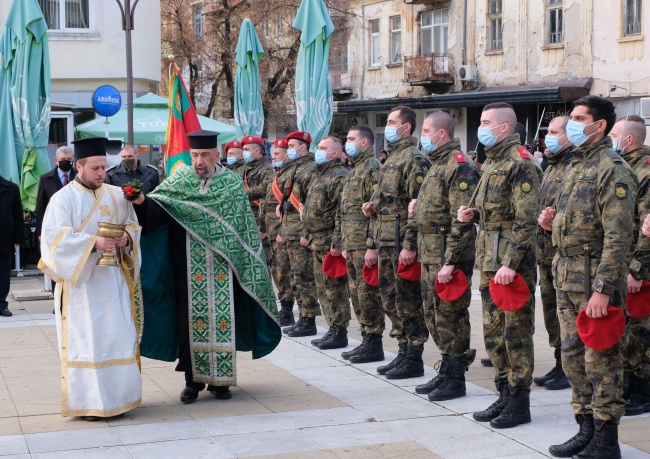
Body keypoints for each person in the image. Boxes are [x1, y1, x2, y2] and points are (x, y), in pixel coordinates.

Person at [132, 130, 280, 404]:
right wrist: (142, 202)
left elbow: (243, 228)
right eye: (195, 155)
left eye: (204, 156)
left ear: (216, 155)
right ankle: (192, 382)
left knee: (224, 321)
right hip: (186, 267)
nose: (199, 161)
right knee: (188, 324)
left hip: (224, 268)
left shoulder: (232, 184)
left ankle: (220, 383)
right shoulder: (180, 179)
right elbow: (159, 210)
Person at [539, 96, 637, 459]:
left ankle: (606, 440)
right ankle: (585, 428)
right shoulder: (575, 166)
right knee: (573, 359)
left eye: (580, 118)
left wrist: (603, 290)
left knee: (602, 363)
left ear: (600, 126)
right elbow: (579, 223)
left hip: (595, 282)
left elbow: (618, 237)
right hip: (567, 277)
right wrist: (552, 224)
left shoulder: (612, 168)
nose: (573, 124)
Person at [38, 136, 143, 420]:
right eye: (95, 168)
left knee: (118, 336)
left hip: (113, 282)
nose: (101, 173)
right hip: (81, 287)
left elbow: (133, 226)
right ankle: (89, 403)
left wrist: (124, 239)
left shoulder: (117, 194)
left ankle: (121, 398)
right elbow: (52, 240)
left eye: (104, 167)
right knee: (88, 342)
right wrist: (93, 243)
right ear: (79, 166)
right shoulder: (62, 199)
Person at [458, 102, 541, 429]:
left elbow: (525, 219)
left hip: (511, 265)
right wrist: (473, 214)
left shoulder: (522, 164)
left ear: (504, 128)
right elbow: (495, 212)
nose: (481, 127)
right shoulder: (492, 162)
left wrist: (510, 263)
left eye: (485, 122)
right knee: (494, 333)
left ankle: (519, 401)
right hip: (489, 261)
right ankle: (504, 392)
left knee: (515, 333)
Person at [409, 111, 479, 401]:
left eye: (426, 130)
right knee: (433, 314)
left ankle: (456, 375)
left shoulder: (460, 167)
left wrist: (450, 262)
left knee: (451, 316)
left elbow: (461, 221)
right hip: (429, 253)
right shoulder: (437, 164)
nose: (423, 136)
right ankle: (446, 367)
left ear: (442, 133)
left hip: (447, 255)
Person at [362, 105, 431, 380]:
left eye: (392, 122)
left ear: (406, 127)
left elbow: (417, 207)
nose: (388, 126)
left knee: (407, 301)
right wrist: (373, 207)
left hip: (400, 240)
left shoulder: (414, 160)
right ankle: (402, 349)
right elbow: (387, 199)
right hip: (385, 239)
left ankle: (413, 355)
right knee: (390, 299)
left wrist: (410, 245)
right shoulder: (392, 159)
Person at [609, 115, 650, 417]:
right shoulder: (623, 169)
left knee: (641, 332)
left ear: (630, 139)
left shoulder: (644, 171)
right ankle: (629, 385)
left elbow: (647, 228)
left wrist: (637, 268)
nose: (611, 140)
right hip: (623, 262)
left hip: (639, 266)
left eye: (613, 134)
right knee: (628, 330)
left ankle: (643, 391)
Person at [533, 116, 573, 391]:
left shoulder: (573, 167)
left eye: (555, 132)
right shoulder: (551, 167)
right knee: (551, 313)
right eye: (547, 132)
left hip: (564, 256)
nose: (548, 137)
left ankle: (570, 368)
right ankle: (560, 362)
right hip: (546, 254)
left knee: (566, 316)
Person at [340, 125, 385, 363]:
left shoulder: (371, 168)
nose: (347, 143)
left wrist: (371, 245)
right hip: (352, 241)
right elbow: (345, 210)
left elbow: (375, 211)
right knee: (356, 294)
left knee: (368, 295)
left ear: (364, 143)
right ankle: (366, 338)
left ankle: (374, 343)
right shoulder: (354, 169)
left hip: (364, 242)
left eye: (350, 138)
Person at [304, 136, 350, 349]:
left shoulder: (339, 176)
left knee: (335, 288)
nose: (318, 151)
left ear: (334, 153)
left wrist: (338, 244)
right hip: (316, 240)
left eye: (323, 148)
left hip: (330, 240)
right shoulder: (319, 174)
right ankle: (332, 327)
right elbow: (310, 208)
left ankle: (340, 330)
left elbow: (342, 213)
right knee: (323, 288)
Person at [278, 131, 321, 337]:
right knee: (295, 276)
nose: (289, 150)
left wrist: (306, 232)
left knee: (304, 276)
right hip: (290, 230)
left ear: (303, 147)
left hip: (300, 232)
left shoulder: (310, 168)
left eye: (292, 146)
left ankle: (309, 319)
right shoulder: (296, 168)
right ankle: (303, 317)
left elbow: (310, 205)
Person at [265, 138, 297, 326]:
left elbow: (290, 207)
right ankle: (285, 307)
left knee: (285, 271)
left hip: (283, 231)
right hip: (273, 229)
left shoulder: (291, 173)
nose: (273, 157)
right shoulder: (278, 174)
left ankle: (288, 309)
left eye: (277, 153)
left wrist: (282, 231)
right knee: (278, 269)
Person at [242, 136, 275, 270]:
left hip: (258, 218)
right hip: (248, 217)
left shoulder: (266, 169)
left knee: (262, 261)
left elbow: (265, 193)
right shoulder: (248, 168)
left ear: (256, 151)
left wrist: (240, 194)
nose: (244, 152)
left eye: (246, 149)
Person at [36, 146, 76, 238]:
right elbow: (40, 207)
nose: (66, 161)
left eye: (69, 159)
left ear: (73, 160)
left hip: (75, 225)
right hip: (53, 225)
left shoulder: (79, 177)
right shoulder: (46, 179)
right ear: (56, 160)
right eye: (62, 159)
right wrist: (40, 232)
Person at [0, 173, 22, 317]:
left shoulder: (11, 188)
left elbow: (18, 214)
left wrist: (17, 238)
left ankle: (1, 304)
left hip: (4, 238)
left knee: (3, 274)